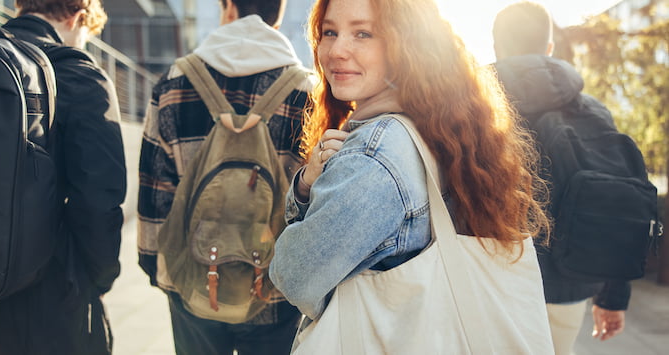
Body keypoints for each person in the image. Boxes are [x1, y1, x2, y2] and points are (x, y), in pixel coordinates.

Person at [269, 0, 549, 343]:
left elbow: (295, 277)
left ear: (407, 44)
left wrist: (303, 189)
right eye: (330, 32)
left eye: (363, 33)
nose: (337, 50)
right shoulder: (440, 126)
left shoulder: (376, 153)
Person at [137, 0, 311, 353]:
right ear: (278, 11)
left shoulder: (175, 82)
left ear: (227, 6)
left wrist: (157, 267)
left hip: (193, 282)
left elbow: (155, 191)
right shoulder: (306, 90)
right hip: (274, 290)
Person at [0, 1, 127, 354]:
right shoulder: (79, 74)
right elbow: (99, 199)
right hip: (49, 293)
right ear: (79, 17)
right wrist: (101, 277)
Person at [492, 2, 629, 354]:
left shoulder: (471, 108)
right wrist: (613, 296)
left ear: (496, 47)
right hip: (568, 284)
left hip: (490, 283)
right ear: (549, 50)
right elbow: (617, 203)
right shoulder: (592, 111)